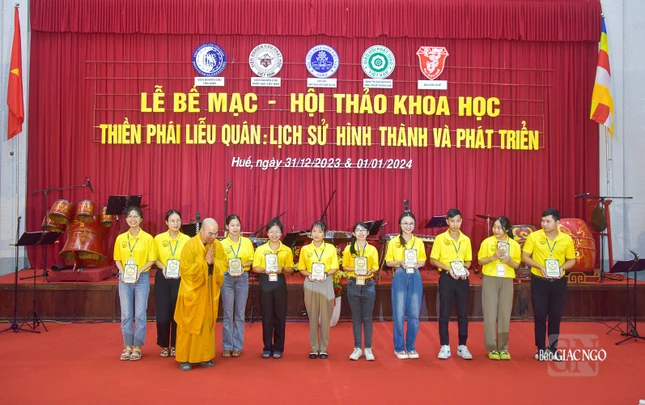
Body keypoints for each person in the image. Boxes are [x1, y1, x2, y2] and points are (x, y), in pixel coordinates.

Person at [522, 208, 576, 361]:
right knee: (540, 315)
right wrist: (540, 267)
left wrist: (562, 268)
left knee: (555, 315)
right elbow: (525, 256)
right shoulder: (534, 237)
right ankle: (540, 348)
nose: (544, 224)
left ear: (557, 223)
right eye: (542, 221)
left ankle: (553, 348)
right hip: (539, 280)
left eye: (548, 221)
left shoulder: (566, 239)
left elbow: (572, 260)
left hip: (558, 282)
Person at [174, 218, 227, 371]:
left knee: (206, 323)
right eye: (210, 233)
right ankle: (185, 358)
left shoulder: (217, 245)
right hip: (191, 293)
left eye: (216, 233)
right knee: (189, 325)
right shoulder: (190, 246)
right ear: (201, 231)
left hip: (208, 291)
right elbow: (186, 271)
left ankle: (205, 357)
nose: (213, 237)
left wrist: (213, 263)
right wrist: (205, 263)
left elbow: (224, 264)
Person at [113, 206, 156, 361]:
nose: (133, 219)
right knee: (126, 314)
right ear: (126, 219)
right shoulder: (120, 239)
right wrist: (123, 272)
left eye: (136, 216)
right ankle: (127, 346)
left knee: (140, 313)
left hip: (141, 278)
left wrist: (139, 271)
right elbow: (117, 259)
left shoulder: (148, 238)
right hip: (125, 279)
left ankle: (137, 347)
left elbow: (152, 259)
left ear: (141, 219)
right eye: (130, 216)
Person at [430, 208, 473, 360]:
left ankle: (462, 346)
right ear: (447, 221)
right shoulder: (440, 238)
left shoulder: (466, 240)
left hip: (462, 279)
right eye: (452, 221)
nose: (455, 224)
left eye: (458, 221)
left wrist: (464, 269)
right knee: (444, 313)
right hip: (447, 277)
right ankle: (445, 346)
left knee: (463, 313)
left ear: (461, 221)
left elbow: (468, 260)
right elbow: (433, 260)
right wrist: (449, 269)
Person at [477, 216, 521, 360]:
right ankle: (492, 347)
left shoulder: (514, 245)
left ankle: (503, 348)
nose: (496, 230)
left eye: (499, 228)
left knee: (504, 314)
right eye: (494, 227)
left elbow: (517, 265)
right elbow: (480, 260)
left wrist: (509, 262)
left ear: (507, 230)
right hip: (490, 278)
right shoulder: (487, 242)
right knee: (489, 314)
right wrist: (493, 257)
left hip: (507, 279)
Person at [385, 211, 427, 360]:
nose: (408, 226)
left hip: (415, 275)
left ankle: (411, 346)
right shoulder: (394, 242)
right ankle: (399, 347)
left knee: (414, 314)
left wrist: (419, 263)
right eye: (405, 223)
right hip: (400, 274)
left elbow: (423, 260)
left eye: (411, 223)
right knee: (399, 313)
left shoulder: (419, 242)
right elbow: (388, 262)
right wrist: (399, 262)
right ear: (400, 225)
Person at [252, 219, 294, 359]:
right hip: (265, 282)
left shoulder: (286, 250)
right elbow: (255, 268)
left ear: (281, 233)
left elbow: (290, 269)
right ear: (267, 233)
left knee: (280, 316)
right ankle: (267, 347)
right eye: (271, 232)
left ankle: (278, 348)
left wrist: (282, 269)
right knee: (267, 316)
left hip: (279, 282)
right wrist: (265, 269)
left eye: (277, 232)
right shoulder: (260, 250)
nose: (274, 234)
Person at [297, 221, 339, 359]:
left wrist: (325, 274)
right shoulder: (305, 249)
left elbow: (335, 267)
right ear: (310, 233)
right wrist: (309, 275)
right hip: (311, 283)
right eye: (314, 231)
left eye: (320, 231)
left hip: (325, 282)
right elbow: (301, 268)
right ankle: (314, 348)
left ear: (324, 233)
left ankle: (324, 348)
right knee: (313, 316)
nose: (316, 234)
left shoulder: (330, 248)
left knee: (325, 317)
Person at [153, 209, 190, 358]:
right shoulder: (158, 239)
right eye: (172, 221)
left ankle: (175, 344)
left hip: (180, 278)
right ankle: (164, 345)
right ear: (166, 222)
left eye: (178, 220)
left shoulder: (187, 239)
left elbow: (190, 259)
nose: (175, 223)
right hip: (163, 277)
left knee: (178, 312)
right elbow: (154, 258)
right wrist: (163, 267)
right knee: (162, 311)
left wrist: (182, 269)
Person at [342, 222, 379, 361]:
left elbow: (375, 267)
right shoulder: (348, 249)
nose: (361, 233)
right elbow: (345, 266)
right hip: (353, 283)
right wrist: (355, 269)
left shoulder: (372, 249)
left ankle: (368, 348)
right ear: (353, 233)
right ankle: (357, 348)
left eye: (364, 230)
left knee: (368, 318)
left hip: (368, 284)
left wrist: (369, 271)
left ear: (368, 233)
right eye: (358, 230)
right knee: (356, 318)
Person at [220, 214, 255, 358]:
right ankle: (227, 346)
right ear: (227, 227)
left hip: (242, 278)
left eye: (238, 225)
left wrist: (241, 265)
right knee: (228, 313)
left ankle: (238, 346)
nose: (235, 228)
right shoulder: (222, 244)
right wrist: (228, 267)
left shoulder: (246, 242)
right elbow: (219, 261)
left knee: (240, 314)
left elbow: (251, 260)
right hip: (227, 278)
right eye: (232, 225)